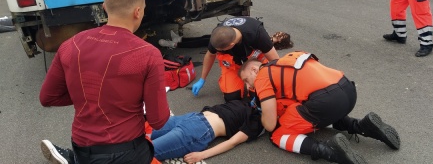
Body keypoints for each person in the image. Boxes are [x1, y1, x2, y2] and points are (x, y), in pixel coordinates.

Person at [39, 0, 170, 164]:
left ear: (105, 7)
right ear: (138, 11)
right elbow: (158, 121)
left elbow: (47, 97)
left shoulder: (71, 44)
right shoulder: (147, 54)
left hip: (81, 147)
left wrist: (88, 97)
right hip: (126, 151)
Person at [240, 51, 400, 164]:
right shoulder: (281, 65)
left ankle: (328, 150)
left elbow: (269, 124)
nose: (248, 87)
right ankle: (361, 125)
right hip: (348, 90)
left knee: (277, 135)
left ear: (255, 69)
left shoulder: (262, 77)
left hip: (325, 102)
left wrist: (264, 115)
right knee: (312, 112)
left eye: (246, 80)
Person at [191, 16, 279, 102]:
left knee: (259, 95)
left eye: (221, 50)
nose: (219, 52)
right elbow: (210, 55)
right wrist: (202, 79)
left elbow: (275, 60)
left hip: (255, 61)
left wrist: (278, 83)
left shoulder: (257, 34)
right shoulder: (218, 36)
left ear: (231, 45)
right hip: (233, 64)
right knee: (232, 97)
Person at [150, 100, 263, 162]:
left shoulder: (256, 121)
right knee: (137, 132)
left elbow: (233, 142)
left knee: (144, 152)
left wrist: (202, 155)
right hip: (192, 117)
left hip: (199, 130)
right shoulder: (247, 102)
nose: (247, 85)